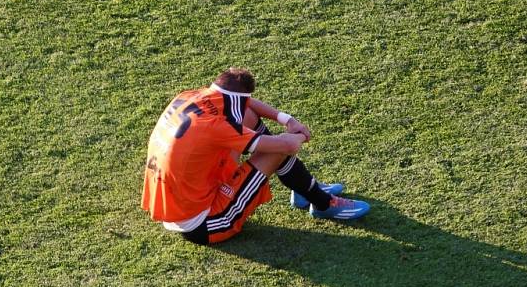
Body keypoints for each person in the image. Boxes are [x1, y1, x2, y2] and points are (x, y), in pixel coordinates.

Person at [141, 67, 370, 244]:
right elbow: (288, 146)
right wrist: (301, 134)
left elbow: (247, 105)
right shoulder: (216, 126)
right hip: (204, 222)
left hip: (183, 199)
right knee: (278, 149)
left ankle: (304, 190)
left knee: (248, 117)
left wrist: (286, 119)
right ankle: (322, 203)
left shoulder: (193, 96)